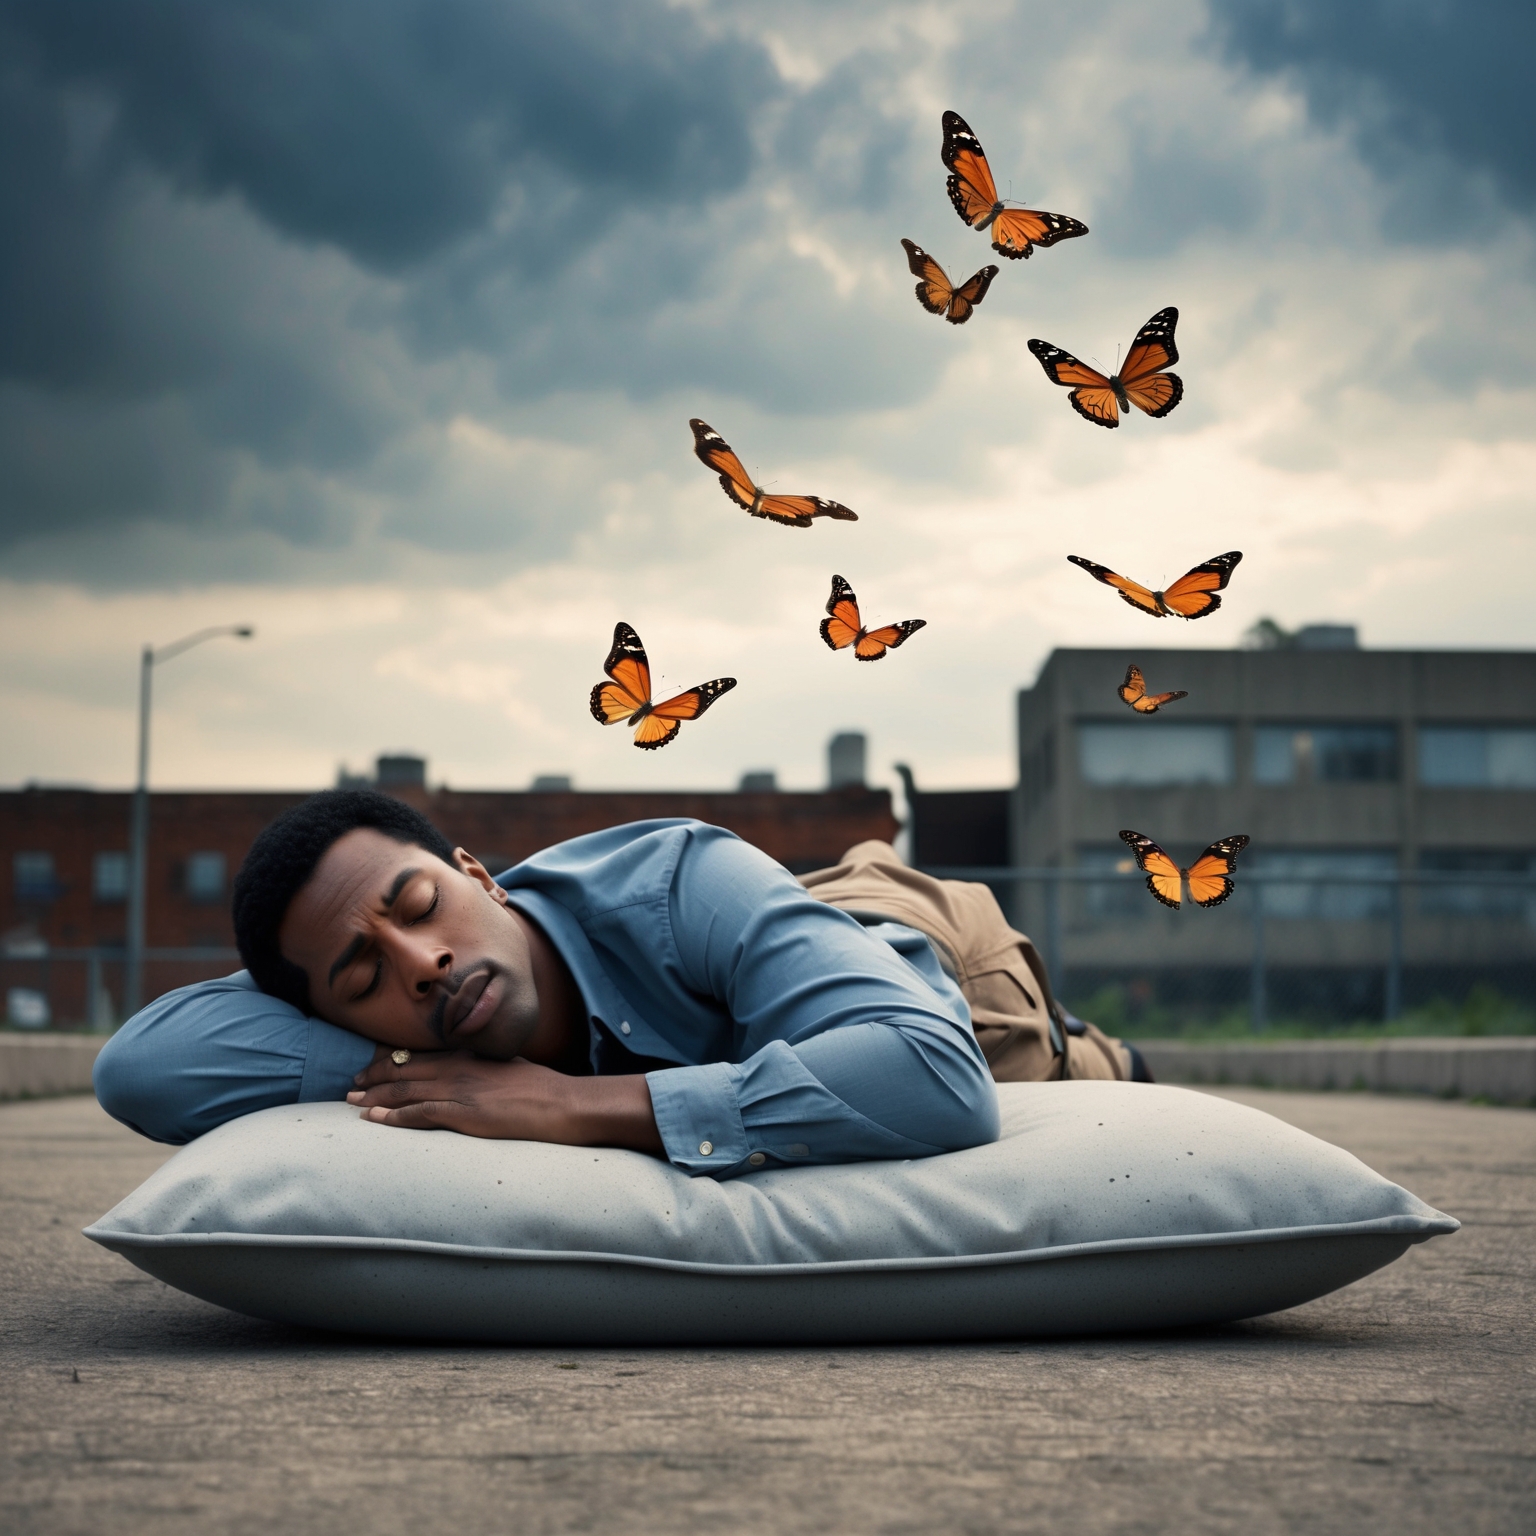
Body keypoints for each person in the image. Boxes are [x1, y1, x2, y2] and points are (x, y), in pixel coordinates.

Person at [94, 790, 1002, 1180]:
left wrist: (567, 1104)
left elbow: (935, 1077)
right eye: (363, 976)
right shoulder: (398, 1020)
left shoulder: (682, 877)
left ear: (479, 874)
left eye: (420, 904)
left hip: (934, 948)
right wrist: (409, 1068)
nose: (422, 964)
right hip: (780, 950)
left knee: (1059, 1049)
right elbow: (140, 1068)